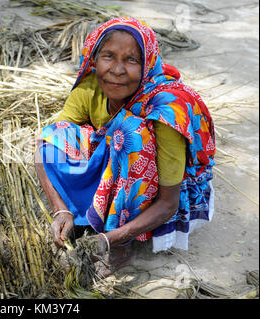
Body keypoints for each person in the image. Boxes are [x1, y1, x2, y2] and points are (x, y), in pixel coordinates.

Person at [34, 17, 215, 276]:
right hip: (117, 168)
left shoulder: (165, 111)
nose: (117, 70)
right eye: (108, 56)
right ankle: (77, 215)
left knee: (128, 134)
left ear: (147, 65)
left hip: (163, 191)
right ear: (94, 60)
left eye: (131, 60)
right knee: (54, 137)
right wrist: (59, 210)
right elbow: (45, 145)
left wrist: (108, 240)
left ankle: (122, 247)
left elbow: (168, 203)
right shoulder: (91, 87)